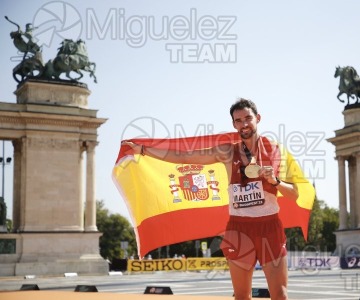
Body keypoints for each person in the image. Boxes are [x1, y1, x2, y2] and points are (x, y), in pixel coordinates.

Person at [123, 98, 298, 300]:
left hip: (269, 226)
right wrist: (145, 151)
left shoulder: (276, 151)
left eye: (248, 118)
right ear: (234, 124)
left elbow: (294, 193)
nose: (244, 124)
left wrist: (275, 181)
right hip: (239, 229)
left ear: (257, 118)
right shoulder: (227, 152)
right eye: (238, 120)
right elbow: (185, 157)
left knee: (281, 295)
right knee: (241, 296)